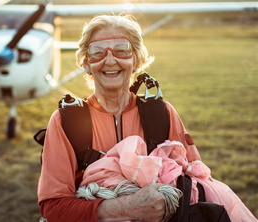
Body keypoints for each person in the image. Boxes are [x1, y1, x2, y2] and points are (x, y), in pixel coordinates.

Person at [37, 14, 203, 222]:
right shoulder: (66, 122)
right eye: (97, 53)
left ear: (136, 61)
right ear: (86, 64)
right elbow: (53, 207)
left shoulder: (163, 115)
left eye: (121, 50)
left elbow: (197, 186)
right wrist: (126, 208)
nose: (109, 60)